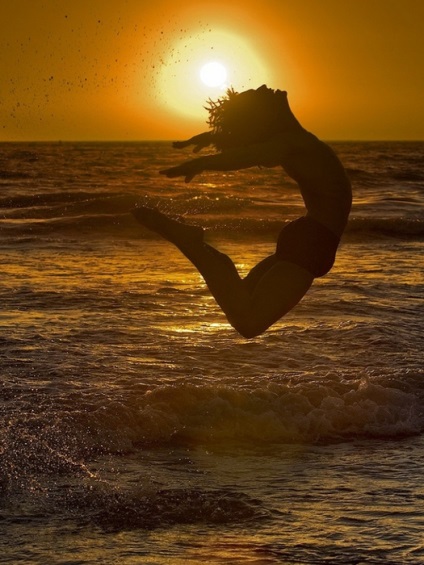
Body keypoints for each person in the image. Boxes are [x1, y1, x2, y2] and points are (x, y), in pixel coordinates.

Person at [133, 85, 352, 338]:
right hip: (311, 242)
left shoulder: (292, 141)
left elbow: (251, 146)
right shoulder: (292, 143)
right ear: (266, 114)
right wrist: (201, 163)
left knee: (240, 296)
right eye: (259, 93)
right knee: (249, 324)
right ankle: (190, 244)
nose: (265, 87)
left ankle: (200, 249)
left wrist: (209, 139)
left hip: (309, 239)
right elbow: (246, 155)